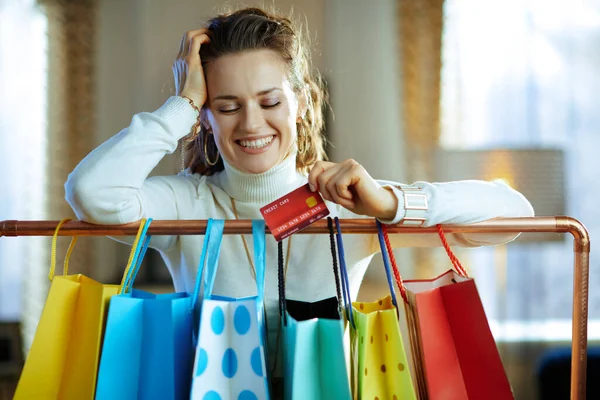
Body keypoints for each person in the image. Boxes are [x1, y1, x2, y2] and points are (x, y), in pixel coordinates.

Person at [65, 5, 533, 394]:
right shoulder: (184, 204)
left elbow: (515, 214)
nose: (251, 125)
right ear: (206, 119)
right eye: (227, 107)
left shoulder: (349, 204)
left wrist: (391, 203)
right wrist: (181, 105)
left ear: (304, 101)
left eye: (270, 102)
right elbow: (91, 192)